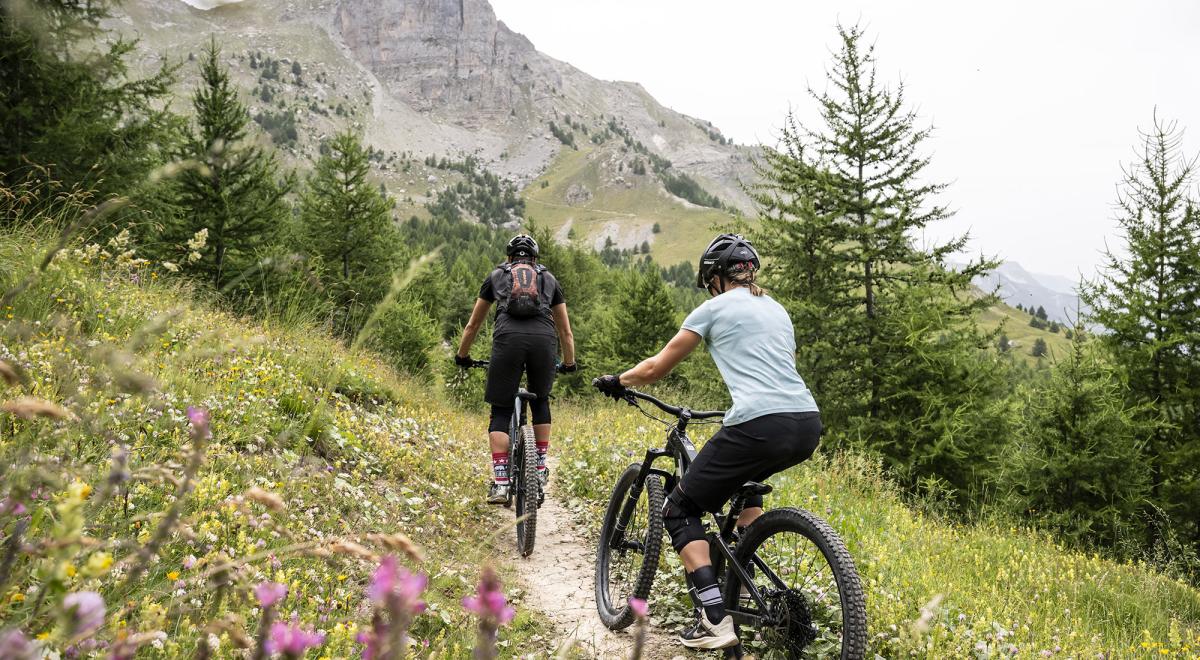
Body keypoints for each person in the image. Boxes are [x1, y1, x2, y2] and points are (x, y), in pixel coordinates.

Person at [594, 233, 821, 650]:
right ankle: (742, 580)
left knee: (679, 509)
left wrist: (617, 380)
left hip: (758, 423)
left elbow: (656, 367)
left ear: (715, 277)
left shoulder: (713, 308)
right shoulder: (777, 309)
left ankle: (713, 619)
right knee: (745, 489)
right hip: (806, 422)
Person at [456, 234, 577, 504]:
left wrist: (462, 355)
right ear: (535, 259)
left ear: (509, 258)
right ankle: (540, 466)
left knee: (501, 409)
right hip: (544, 341)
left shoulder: (497, 275)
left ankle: (500, 482)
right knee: (541, 400)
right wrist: (569, 362)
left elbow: (472, 325)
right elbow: (566, 332)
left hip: (507, 339)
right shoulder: (549, 279)